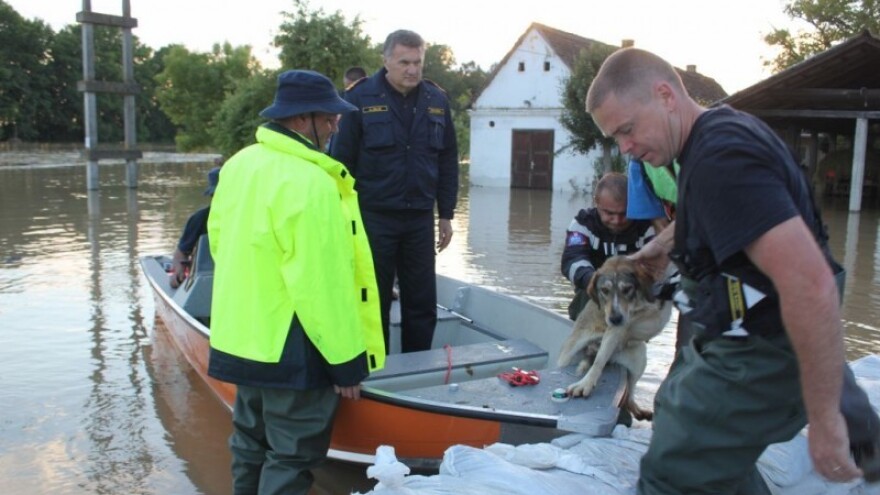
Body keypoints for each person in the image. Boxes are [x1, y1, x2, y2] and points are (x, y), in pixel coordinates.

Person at [586, 47, 880, 494]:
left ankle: (842, 407)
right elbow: (741, 221)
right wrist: (665, 245)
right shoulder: (713, 137)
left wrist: (824, 416)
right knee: (674, 406)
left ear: (665, 95)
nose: (625, 148)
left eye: (628, 129)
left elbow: (811, 282)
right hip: (735, 320)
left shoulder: (722, 158)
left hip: (767, 339)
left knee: (673, 467)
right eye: (616, 137)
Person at [206, 69, 385, 495]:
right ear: (302, 121)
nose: (336, 126)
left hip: (241, 337)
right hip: (292, 345)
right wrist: (346, 362)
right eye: (329, 118)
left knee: (249, 443)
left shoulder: (238, 165)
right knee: (291, 456)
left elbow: (218, 242)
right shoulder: (312, 182)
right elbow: (322, 282)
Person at [331, 29, 459, 353]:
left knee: (422, 303)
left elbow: (447, 160)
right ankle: (378, 372)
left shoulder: (436, 100)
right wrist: (342, 221)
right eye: (405, 62)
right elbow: (340, 165)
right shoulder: (358, 99)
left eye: (418, 62)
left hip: (418, 219)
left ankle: (415, 372)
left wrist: (446, 214)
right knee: (373, 301)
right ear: (385, 60)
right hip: (373, 218)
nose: (413, 70)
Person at [561, 171, 655, 320]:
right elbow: (571, 260)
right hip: (593, 293)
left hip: (633, 296)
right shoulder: (582, 223)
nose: (617, 220)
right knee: (588, 291)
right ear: (596, 203)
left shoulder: (646, 227)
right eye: (609, 213)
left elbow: (656, 266)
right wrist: (595, 280)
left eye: (624, 213)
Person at [169, 160, 222, 289]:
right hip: (205, 277)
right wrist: (178, 271)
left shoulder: (250, 215)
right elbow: (181, 252)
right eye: (216, 194)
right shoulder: (199, 219)